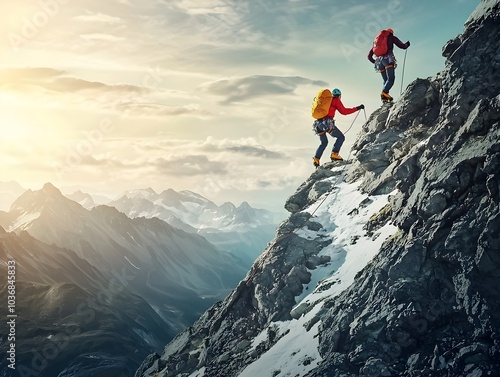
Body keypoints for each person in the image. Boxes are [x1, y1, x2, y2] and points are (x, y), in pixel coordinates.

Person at [312, 88, 363, 167]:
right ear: (339, 96)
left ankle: (316, 159)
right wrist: (357, 108)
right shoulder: (336, 100)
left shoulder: (327, 101)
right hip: (327, 123)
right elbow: (344, 111)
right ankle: (334, 154)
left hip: (318, 124)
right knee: (341, 137)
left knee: (324, 142)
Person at [367, 28, 410, 103]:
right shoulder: (391, 38)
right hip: (388, 60)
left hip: (379, 62)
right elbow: (402, 46)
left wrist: (375, 62)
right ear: (391, 33)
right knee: (391, 79)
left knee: (385, 80)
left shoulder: (377, 42)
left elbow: (369, 56)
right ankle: (384, 93)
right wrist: (407, 44)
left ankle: (384, 99)